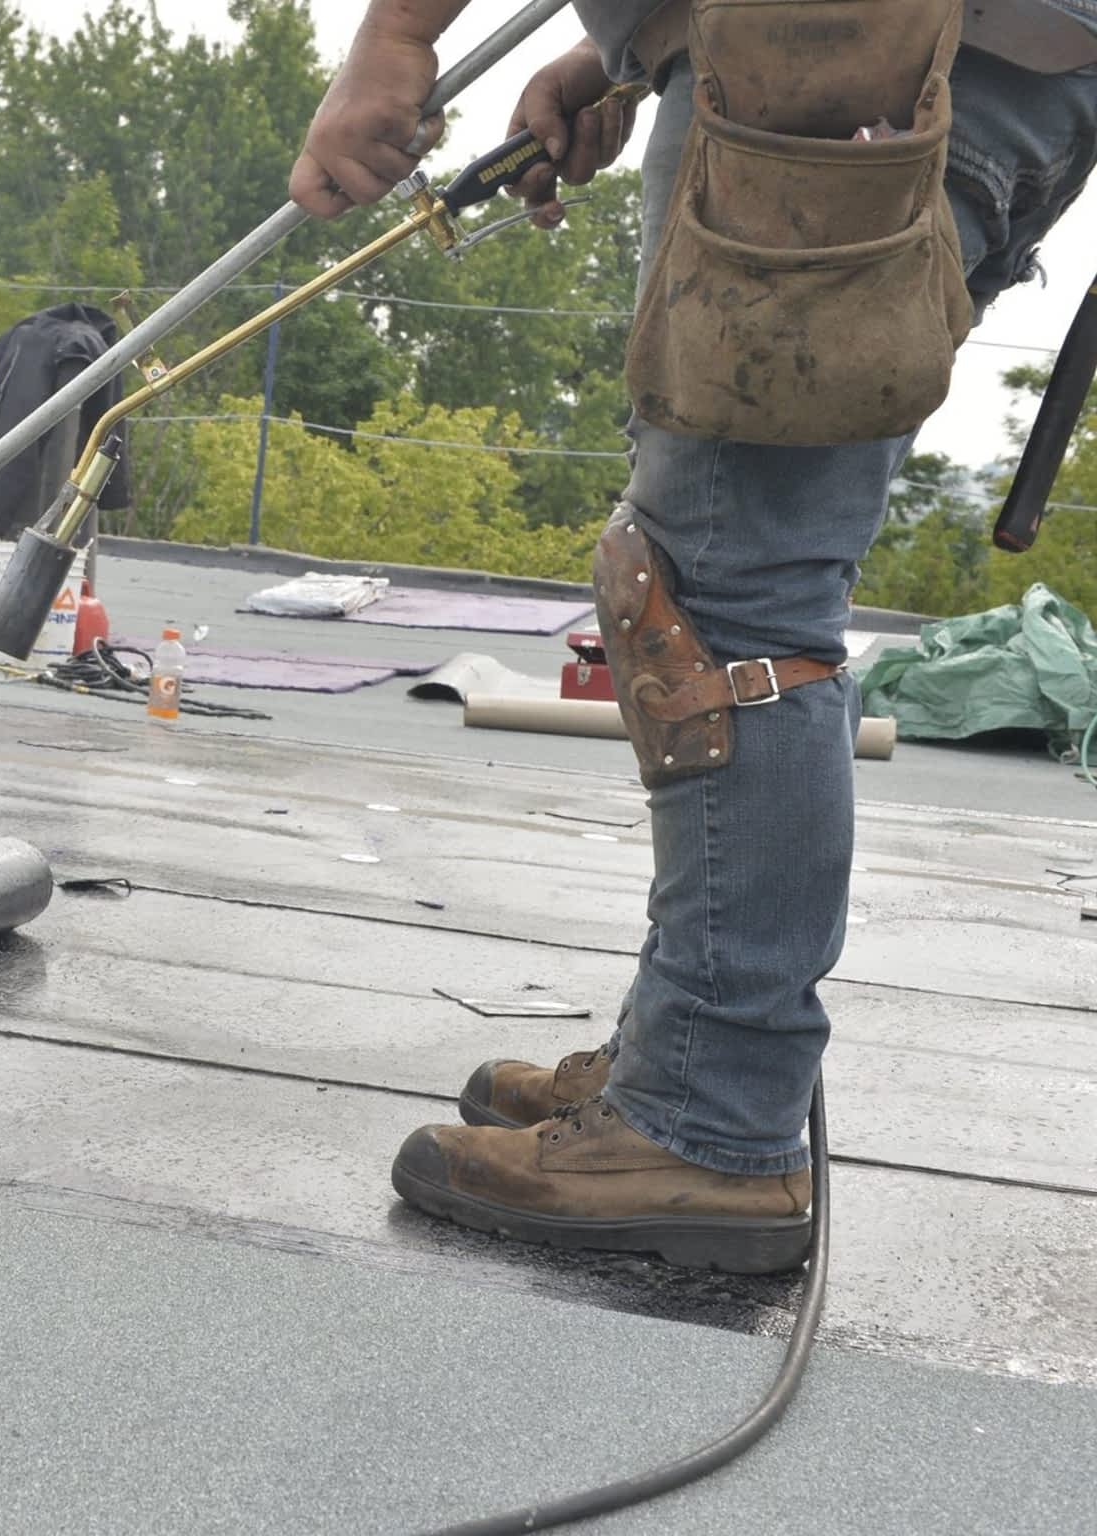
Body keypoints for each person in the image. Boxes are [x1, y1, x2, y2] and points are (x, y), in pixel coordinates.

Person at [291, 0, 1097, 1273]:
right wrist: (632, 46)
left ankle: (706, 1121)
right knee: (715, 572)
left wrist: (395, 36)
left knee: (724, 605)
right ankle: (688, 1054)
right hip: (922, 66)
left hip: (845, 64)